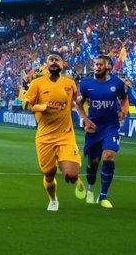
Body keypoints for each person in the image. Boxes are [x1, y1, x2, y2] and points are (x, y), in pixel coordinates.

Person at [23, 52, 85, 212]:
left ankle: (68, 166)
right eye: (51, 60)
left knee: (70, 176)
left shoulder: (70, 83)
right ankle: (53, 199)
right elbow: (26, 104)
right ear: (46, 64)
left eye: (57, 60)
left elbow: (75, 104)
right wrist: (41, 107)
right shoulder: (37, 83)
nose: (54, 62)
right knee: (49, 174)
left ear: (63, 64)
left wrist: (87, 120)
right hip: (45, 137)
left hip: (65, 134)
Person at [79, 55, 129, 209]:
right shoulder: (86, 84)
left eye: (100, 64)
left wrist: (123, 112)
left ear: (108, 66)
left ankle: (103, 196)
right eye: (96, 64)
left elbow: (124, 99)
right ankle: (90, 187)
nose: (97, 66)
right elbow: (78, 104)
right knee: (93, 163)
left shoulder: (117, 84)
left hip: (111, 126)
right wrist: (86, 120)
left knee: (108, 156)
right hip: (93, 127)